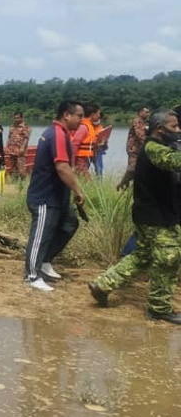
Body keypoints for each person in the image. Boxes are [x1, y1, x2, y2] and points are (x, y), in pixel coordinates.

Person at [88, 110, 181, 324]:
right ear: (160, 129)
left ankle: (102, 285)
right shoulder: (154, 148)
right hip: (157, 216)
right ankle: (159, 308)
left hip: (149, 214)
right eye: (174, 126)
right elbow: (175, 162)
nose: (178, 130)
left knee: (142, 257)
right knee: (168, 258)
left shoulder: (156, 147)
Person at [23, 100, 86, 291]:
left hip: (58, 196)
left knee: (69, 224)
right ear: (67, 115)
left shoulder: (61, 133)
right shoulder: (56, 134)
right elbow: (62, 167)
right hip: (44, 196)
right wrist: (78, 189)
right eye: (79, 116)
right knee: (40, 235)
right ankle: (32, 276)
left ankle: (44, 260)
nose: (81, 121)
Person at [117, 106, 150, 190]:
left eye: (148, 112)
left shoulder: (144, 122)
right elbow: (140, 136)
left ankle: (129, 187)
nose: (148, 114)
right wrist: (150, 143)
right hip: (134, 148)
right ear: (140, 112)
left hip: (140, 149)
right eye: (146, 112)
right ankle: (123, 183)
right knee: (132, 167)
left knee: (138, 168)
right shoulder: (137, 121)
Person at [72, 103, 102, 177]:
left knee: (83, 181)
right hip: (80, 158)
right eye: (98, 113)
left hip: (85, 158)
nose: (99, 116)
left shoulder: (90, 126)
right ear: (92, 115)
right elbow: (74, 144)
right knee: (86, 182)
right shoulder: (84, 127)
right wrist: (71, 163)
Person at [5, 111, 32, 182]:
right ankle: (14, 183)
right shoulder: (12, 126)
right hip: (12, 150)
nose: (16, 119)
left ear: (21, 118)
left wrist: (23, 147)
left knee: (21, 169)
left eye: (18, 118)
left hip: (20, 151)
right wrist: (6, 146)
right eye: (15, 118)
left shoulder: (25, 126)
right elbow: (9, 137)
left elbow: (26, 138)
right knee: (13, 168)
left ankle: (23, 183)